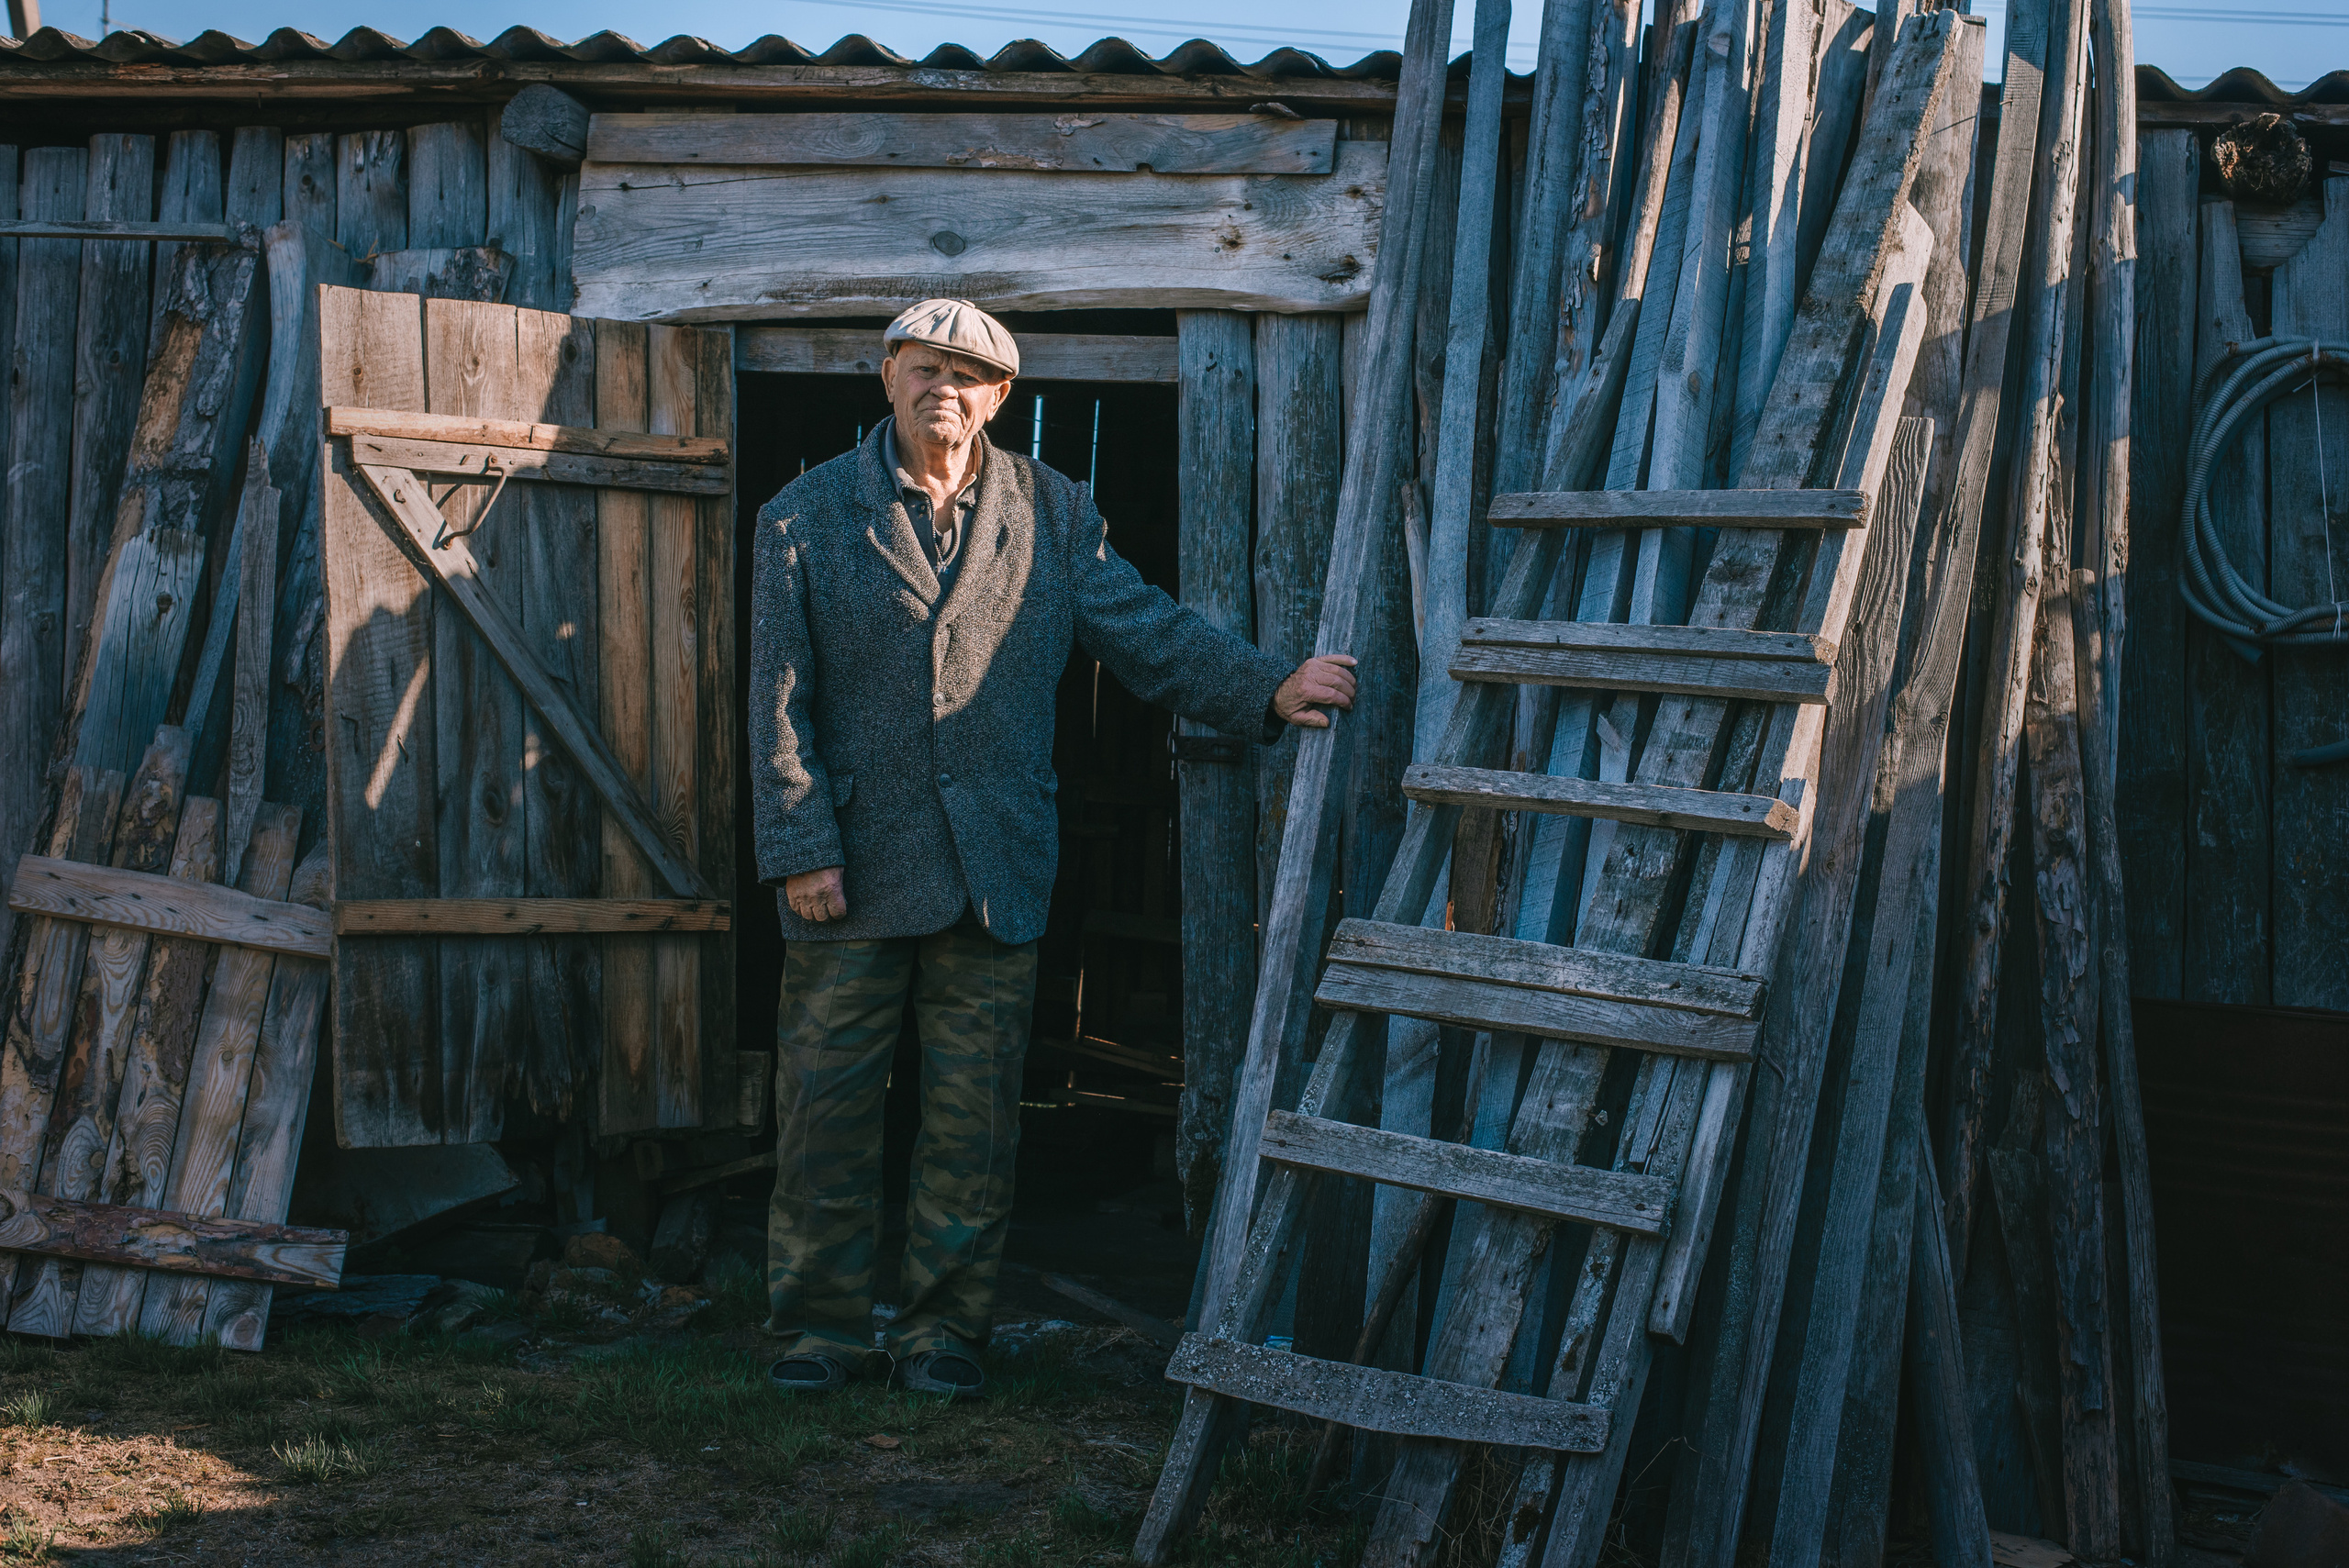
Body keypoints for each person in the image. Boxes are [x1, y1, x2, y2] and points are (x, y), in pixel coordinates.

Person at [751, 298, 1358, 1398]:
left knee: (972, 1120)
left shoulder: (1051, 510)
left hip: (996, 866)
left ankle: (944, 1333)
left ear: (999, 397)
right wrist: (801, 845)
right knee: (825, 1113)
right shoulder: (802, 517)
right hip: (849, 868)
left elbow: (1143, 630)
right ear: (885, 374)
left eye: (970, 373)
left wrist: (1265, 683)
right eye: (926, 364)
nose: (947, 385)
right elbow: (777, 701)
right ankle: (820, 1330)